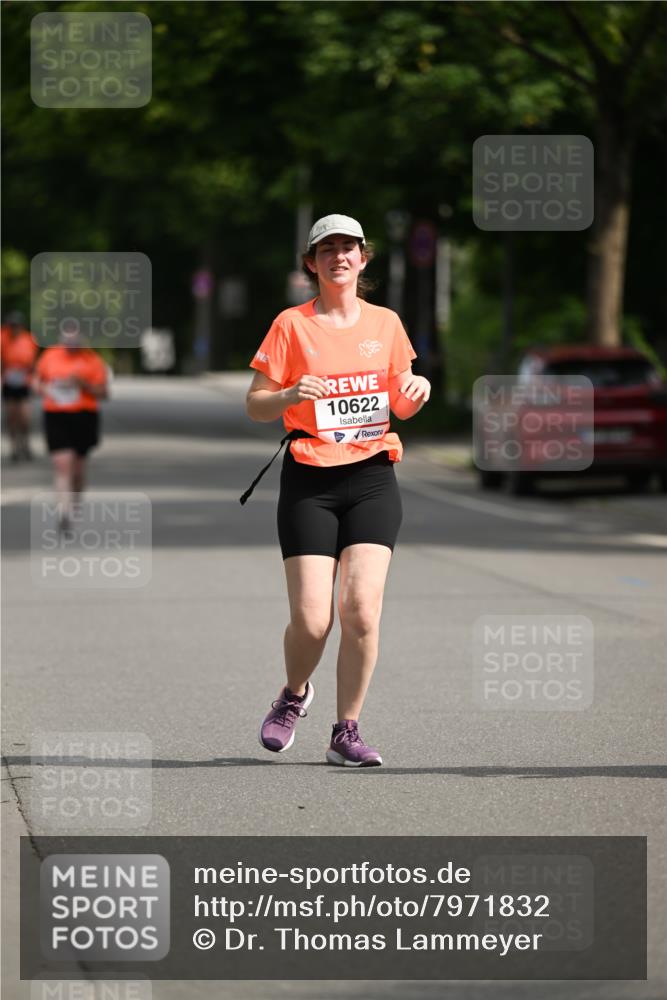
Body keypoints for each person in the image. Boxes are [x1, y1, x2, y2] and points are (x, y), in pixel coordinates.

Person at [244, 214, 431, 767]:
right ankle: (294, 694)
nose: (339, 257)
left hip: (372, 475)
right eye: (328, 249)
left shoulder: (386, 324)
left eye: (349, 248)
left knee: (361, 611)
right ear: (312, 263)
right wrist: (289, 393)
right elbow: (256, 404)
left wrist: (415, 391)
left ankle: (346, 729)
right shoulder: (291, 326)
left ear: (364, 259)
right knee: (312, 619)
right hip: (310, 479)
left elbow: (400, 402)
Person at [33, 325, 109, 532]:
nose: (71, 348)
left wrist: (82, 384)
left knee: (78, 468)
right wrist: (46, 388)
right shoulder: (50, 356)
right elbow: (36, 382)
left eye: (75, 344)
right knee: (61, 463)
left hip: (83, 415)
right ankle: (63, 511)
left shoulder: (92, 361)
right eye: (67, 344)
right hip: (56, 414)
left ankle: (74, 503)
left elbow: (104, 394)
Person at [1, 311, 39, 461]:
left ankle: (25, 444)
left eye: (16, 326)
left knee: (24, 417)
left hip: (24, 381)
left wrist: (35, 378)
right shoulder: (2, 338)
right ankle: (14, 447)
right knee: (11, 417)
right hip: (8, 382)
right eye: (12, 326)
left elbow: (34, 362)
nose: (14, 328)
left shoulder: (29, 339)